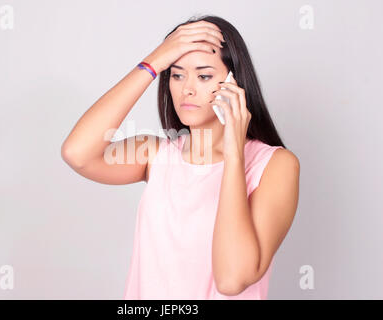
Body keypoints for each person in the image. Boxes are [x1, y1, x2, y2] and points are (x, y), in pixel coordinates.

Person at [61, 15, 300, 300]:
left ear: (234, 83)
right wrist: (153, 62)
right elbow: (77, 153)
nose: (187, 88)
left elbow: (232, 279)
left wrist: (233, 151)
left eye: (203, 76)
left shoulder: (275, 165)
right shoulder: (155, 155)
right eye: (176, 74)